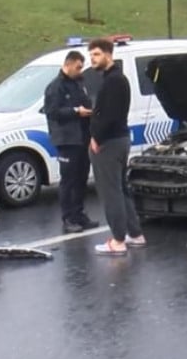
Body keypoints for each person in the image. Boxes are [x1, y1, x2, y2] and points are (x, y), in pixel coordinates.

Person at [87, 37, 146, 256]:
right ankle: (135, 234)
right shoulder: (117, 79)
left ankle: (118, 240)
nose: (92, 59)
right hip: (120, 139)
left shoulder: (113, 81)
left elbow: (109, 115)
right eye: (91, 54)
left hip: (109, 142)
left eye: (96, 54)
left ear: (108, 55)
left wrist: (96, 137)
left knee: (110, 192)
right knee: (121, 189)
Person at [43, 50, 99, 233]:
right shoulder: (55, 87)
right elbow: (52, 112)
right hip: (67, 140)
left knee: (82, 178)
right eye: (78, 67)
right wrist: (76, 111)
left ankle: (79, 214)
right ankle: (68, 217)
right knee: (68, 180)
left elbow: (86, 102)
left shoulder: (79, 83)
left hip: (82, 137)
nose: (80, 70)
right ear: (68, 64)